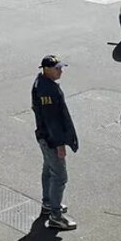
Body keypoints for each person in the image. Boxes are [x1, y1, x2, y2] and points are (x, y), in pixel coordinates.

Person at [32, 55, 79, 230]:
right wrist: (60, 145)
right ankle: (56, 216)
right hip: (51, 139)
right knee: (60, 176)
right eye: (57, 68)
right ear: (46, 69)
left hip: (44, 137)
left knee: (48, 170)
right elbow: (52, 121)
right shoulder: (47, 90)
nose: (61, 71)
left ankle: (48, 203)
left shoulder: (43, 83)